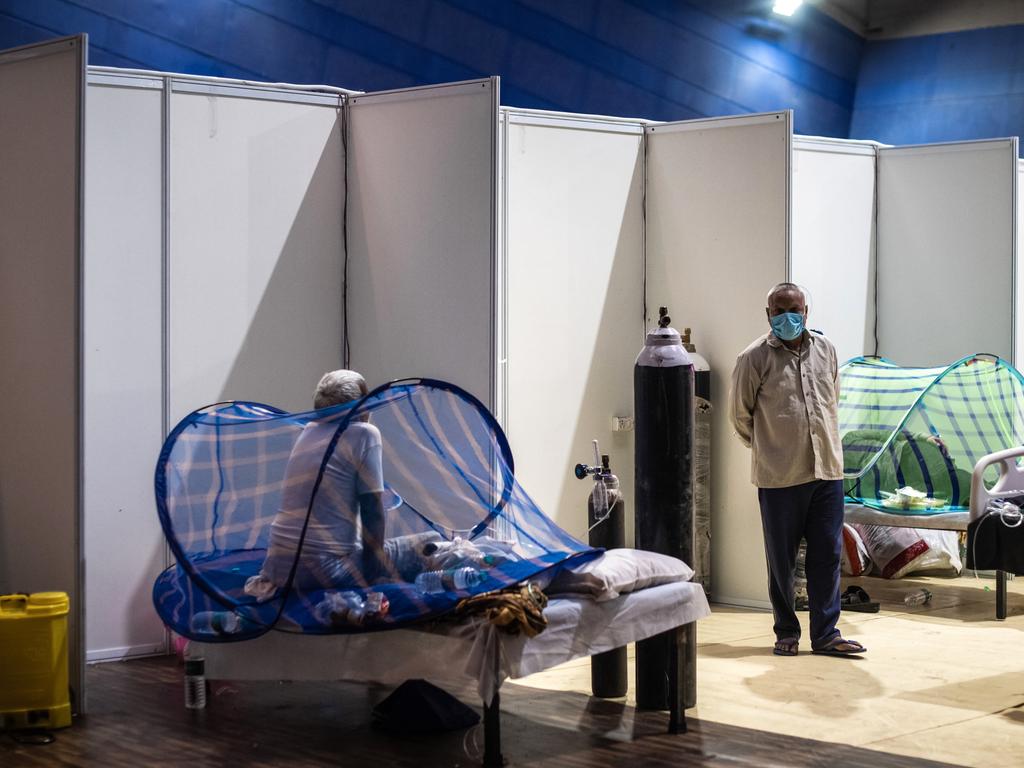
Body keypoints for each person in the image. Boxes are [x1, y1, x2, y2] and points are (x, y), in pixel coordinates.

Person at [729, 283, 866, 657]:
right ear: (768, 314)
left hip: (827, 473)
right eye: (779, 310)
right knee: (782, 561)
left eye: (794, 310)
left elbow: (831, 400)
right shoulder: (753, 358)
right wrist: (771, 449)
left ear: (807, 312)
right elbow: (740, 416)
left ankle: (826, 634)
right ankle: (786, 631)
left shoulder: (828, 351)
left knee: (826, 555)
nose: (787, 317)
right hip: (780, 478)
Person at [245, 369, 394, 598]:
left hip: (278, 569)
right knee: (424, 546)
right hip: (323, 570)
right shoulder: (365, 434)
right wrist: (375, 578)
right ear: (360, 404)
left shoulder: (309, 430)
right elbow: (372, 511)